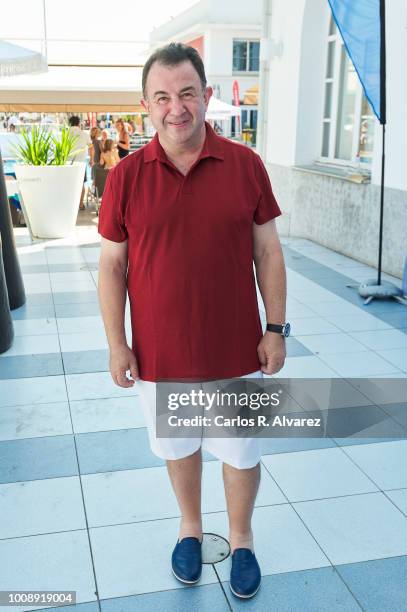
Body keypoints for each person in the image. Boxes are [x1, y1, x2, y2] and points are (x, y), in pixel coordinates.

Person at [98, 43, 288, 600]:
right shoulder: (126, 177)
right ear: (145, 107)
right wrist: (117, 344)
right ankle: (190, 529)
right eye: (162, 97)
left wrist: (275, 328)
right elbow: (111, 267)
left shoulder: (245, 166)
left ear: (205, 97)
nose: (175, 108)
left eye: (186, 93)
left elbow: (268, 253)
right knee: (179, 450)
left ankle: (243, 539)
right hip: (160, 355)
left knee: (240, 452)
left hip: (236, 351)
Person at [68, 115, 91, 210]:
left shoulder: (66, 134)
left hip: (68, 163)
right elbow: (91, 146)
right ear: (78, 123)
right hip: (81, 162)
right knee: (81, 183)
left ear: (70, 123)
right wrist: (92, 159)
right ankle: (80, 204)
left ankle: (70, 204)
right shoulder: (84, 134)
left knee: (69, 184)